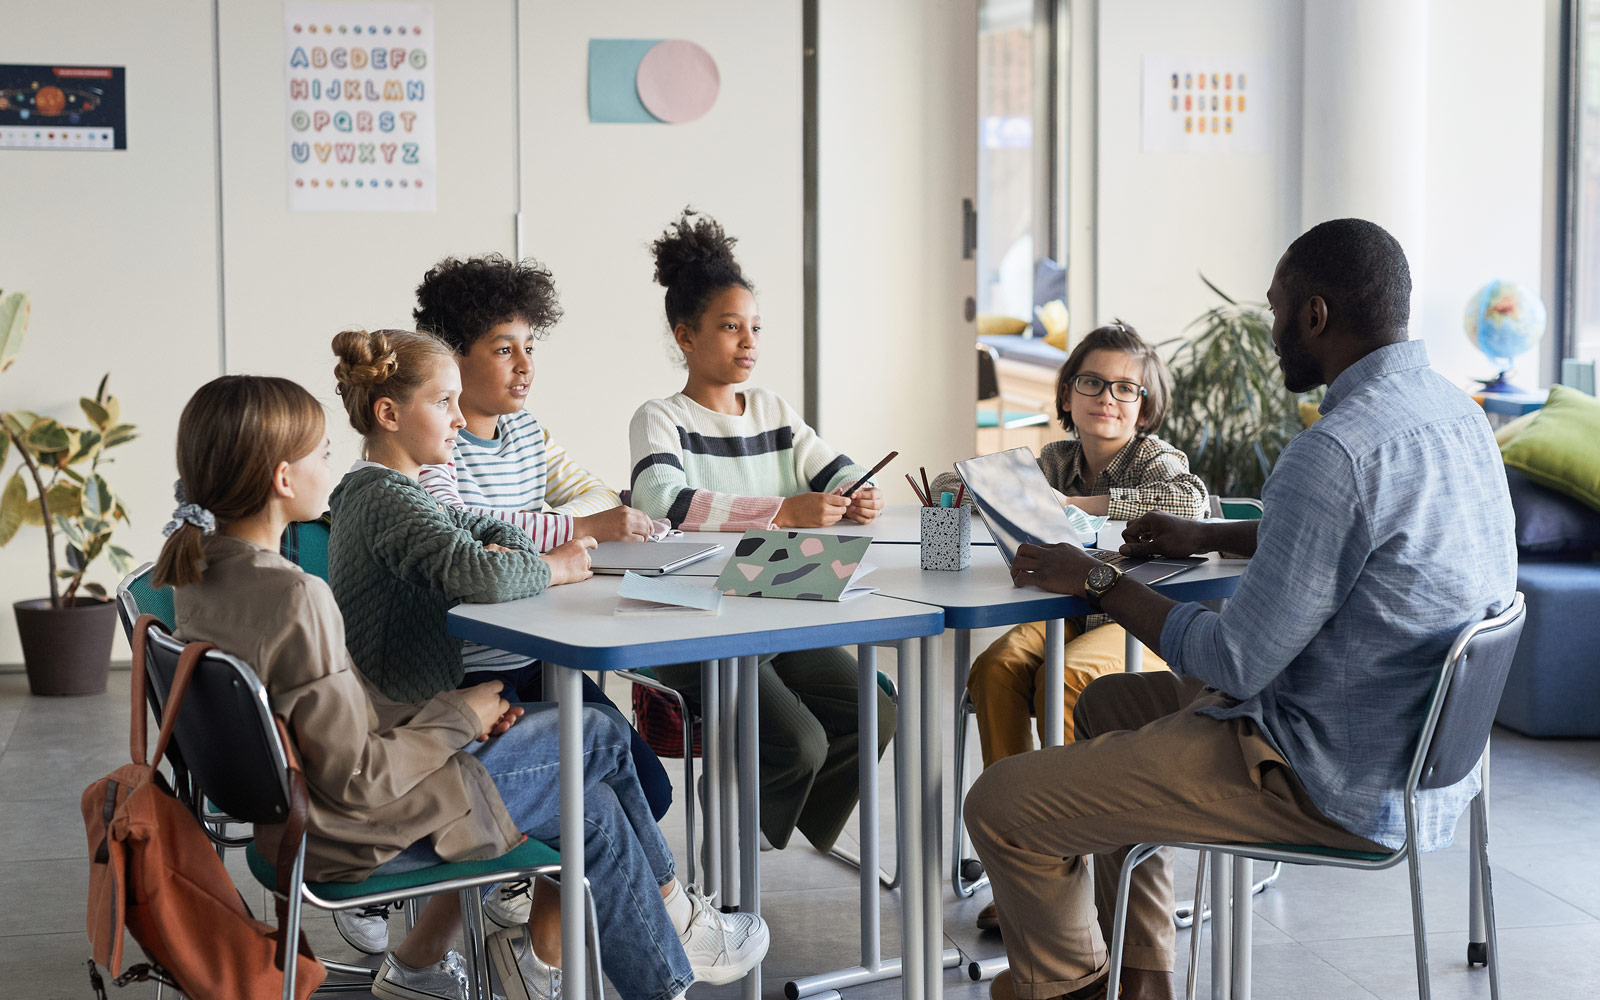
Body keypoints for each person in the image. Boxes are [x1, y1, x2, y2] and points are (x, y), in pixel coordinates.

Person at [963, 218, 1516, 1000]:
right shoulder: (1456, 415)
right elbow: (1359, 537)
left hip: (1323, 773)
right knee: (1108, 704)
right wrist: (1211, 530)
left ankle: (1068, 987)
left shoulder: (1336, 450)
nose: (1272, 329)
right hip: (1419, 753)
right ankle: (1144, 980)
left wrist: (1097, 580)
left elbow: (1233, 662)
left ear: (1315, 315)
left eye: (1277, 308)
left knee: (1000, 804)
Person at [159, 375, 768, 1000]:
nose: (330, 465)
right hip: (356, 828)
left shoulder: (199, 576)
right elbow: (360, 777)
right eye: (320, 454)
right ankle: (678, 921)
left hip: (292, 822)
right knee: (601, 733)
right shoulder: (295, 596)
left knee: (592, 809)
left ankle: (666, 976)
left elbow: (331, 723)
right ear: (283, 480)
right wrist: (457, 721)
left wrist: (455, 709)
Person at [627, 208, 894, 855]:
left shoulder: (772, 410)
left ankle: (760, 825)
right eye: (729, 327)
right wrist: (781, 511)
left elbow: (841, 468)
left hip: (775, 602)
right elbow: (661, 500)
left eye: (754, 328)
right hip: (695, 620)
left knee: (877, 712)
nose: (748, 341)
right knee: (799, 743)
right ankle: (728, 835)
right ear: (685, 335)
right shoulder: (659, 418)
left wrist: (857, 492)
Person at [959, 321, 1207, 933]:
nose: (1108, 398)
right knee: (995, 669)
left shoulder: (1156, 459)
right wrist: (973, 491)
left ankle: (1074, 880)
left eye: (1127, 389)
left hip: (1140, 628)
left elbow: (1191, 506)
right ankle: (1026, 869)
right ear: (1067, 394)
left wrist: (1081, 508)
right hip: (1066, 616)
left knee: (1071, 679)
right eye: (1093, 382)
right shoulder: (1055, 459)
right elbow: (972, 485)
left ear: (1146, 408)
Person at [410, 253, 673, 825]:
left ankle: (559, 897)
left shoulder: (526, 431)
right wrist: (569, 530)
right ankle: (525, 881)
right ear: (452, 359)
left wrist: (547, 528)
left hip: (540, 654)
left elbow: (601, 495)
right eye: (504, 349)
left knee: (649, 790)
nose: (525, 366)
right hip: (469, 671)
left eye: (530, 347)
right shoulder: (430, 444)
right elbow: (458, 526)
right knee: (595, 791)